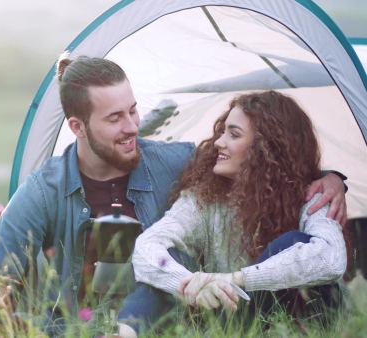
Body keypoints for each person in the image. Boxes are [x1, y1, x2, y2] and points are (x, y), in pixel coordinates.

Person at [0, 54, 347, 336]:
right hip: (79, 327)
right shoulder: (45, 191)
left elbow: (265, 161)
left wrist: (329, 178)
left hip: (163, 321)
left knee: (178, 258)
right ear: (78, 127)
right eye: (115, 118)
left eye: (133, 110)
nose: (133, 126)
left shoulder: (171, 162)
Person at [132, 90, 349, 336]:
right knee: (168, 259)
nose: (218, 142)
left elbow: (331, 259)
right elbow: (146, 247)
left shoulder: (313, 196)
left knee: (292, 244)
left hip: (300, 325)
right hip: (234, 322)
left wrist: (236, 279)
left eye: (233, 134)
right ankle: (121, 333)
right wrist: (187, 285)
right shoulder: (202, 199)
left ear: (267, 148)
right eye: (222, 131)